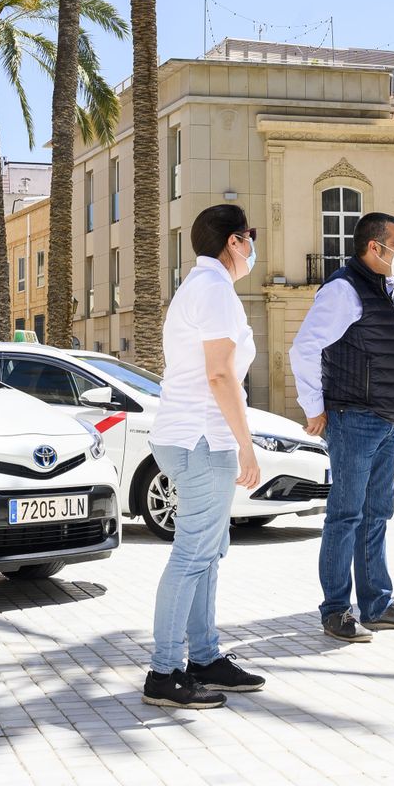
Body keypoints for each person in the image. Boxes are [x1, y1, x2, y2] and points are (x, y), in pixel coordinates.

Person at [142, 205, 267, 709]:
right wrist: (247, 445)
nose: (253, 246)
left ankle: (205, 659)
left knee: (208, 553)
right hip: (201, 439)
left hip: (192, 438)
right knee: (194, 554)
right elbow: (220, 375)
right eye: (250, 236)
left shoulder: (202, 286)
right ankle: (164, 671)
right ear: (234, 242)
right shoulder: (214, 290)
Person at [289, 212, 394, 642]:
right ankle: (336, 611)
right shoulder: (344, 289)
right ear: (375, 247)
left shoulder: (386, 287)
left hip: (385, 420)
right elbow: (304, 348)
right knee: (345, 516)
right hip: (353, 418)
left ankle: (377, 605)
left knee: (376, 514)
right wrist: (314, 407)